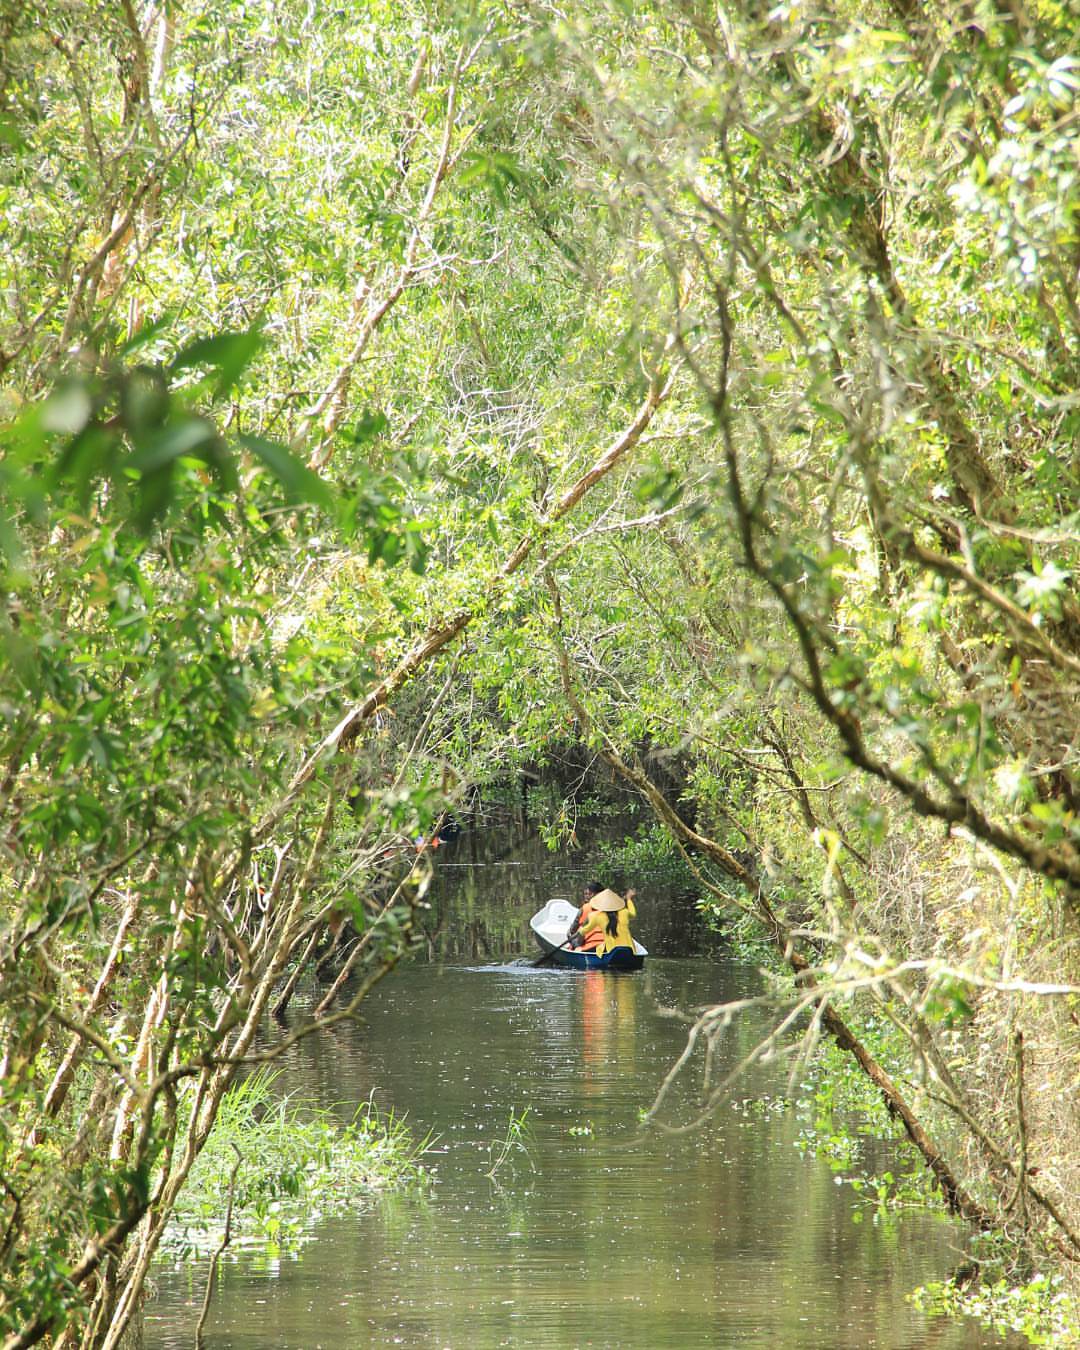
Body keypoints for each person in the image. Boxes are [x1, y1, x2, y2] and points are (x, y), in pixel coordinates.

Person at [578, 887, 637, 957]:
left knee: (597, 949)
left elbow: (585, 930)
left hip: (611, 951)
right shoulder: (625, 912)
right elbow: (633, 913)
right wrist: (629, 899)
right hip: (630, 950)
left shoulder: (597, 916)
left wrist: (580, 930)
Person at [567, 879, 606, 951]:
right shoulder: (611, 908)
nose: (587, 896)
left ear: (596, 895)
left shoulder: (585, 908)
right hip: (608, 944)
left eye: (589, 894)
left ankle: (575, 948)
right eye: (586, 894)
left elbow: (573, 929)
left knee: (569, 934)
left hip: (590, 945)